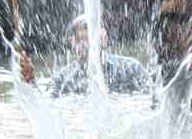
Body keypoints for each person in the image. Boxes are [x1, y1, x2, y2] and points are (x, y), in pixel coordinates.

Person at [19, 15, 150, 96]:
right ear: (72, 42)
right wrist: (31, 83)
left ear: (104, 38)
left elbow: (150, 99)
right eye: (79, 33)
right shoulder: (62, 79)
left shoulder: (131, 68)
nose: (83, 34)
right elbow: (46, 105)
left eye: (89, 28)